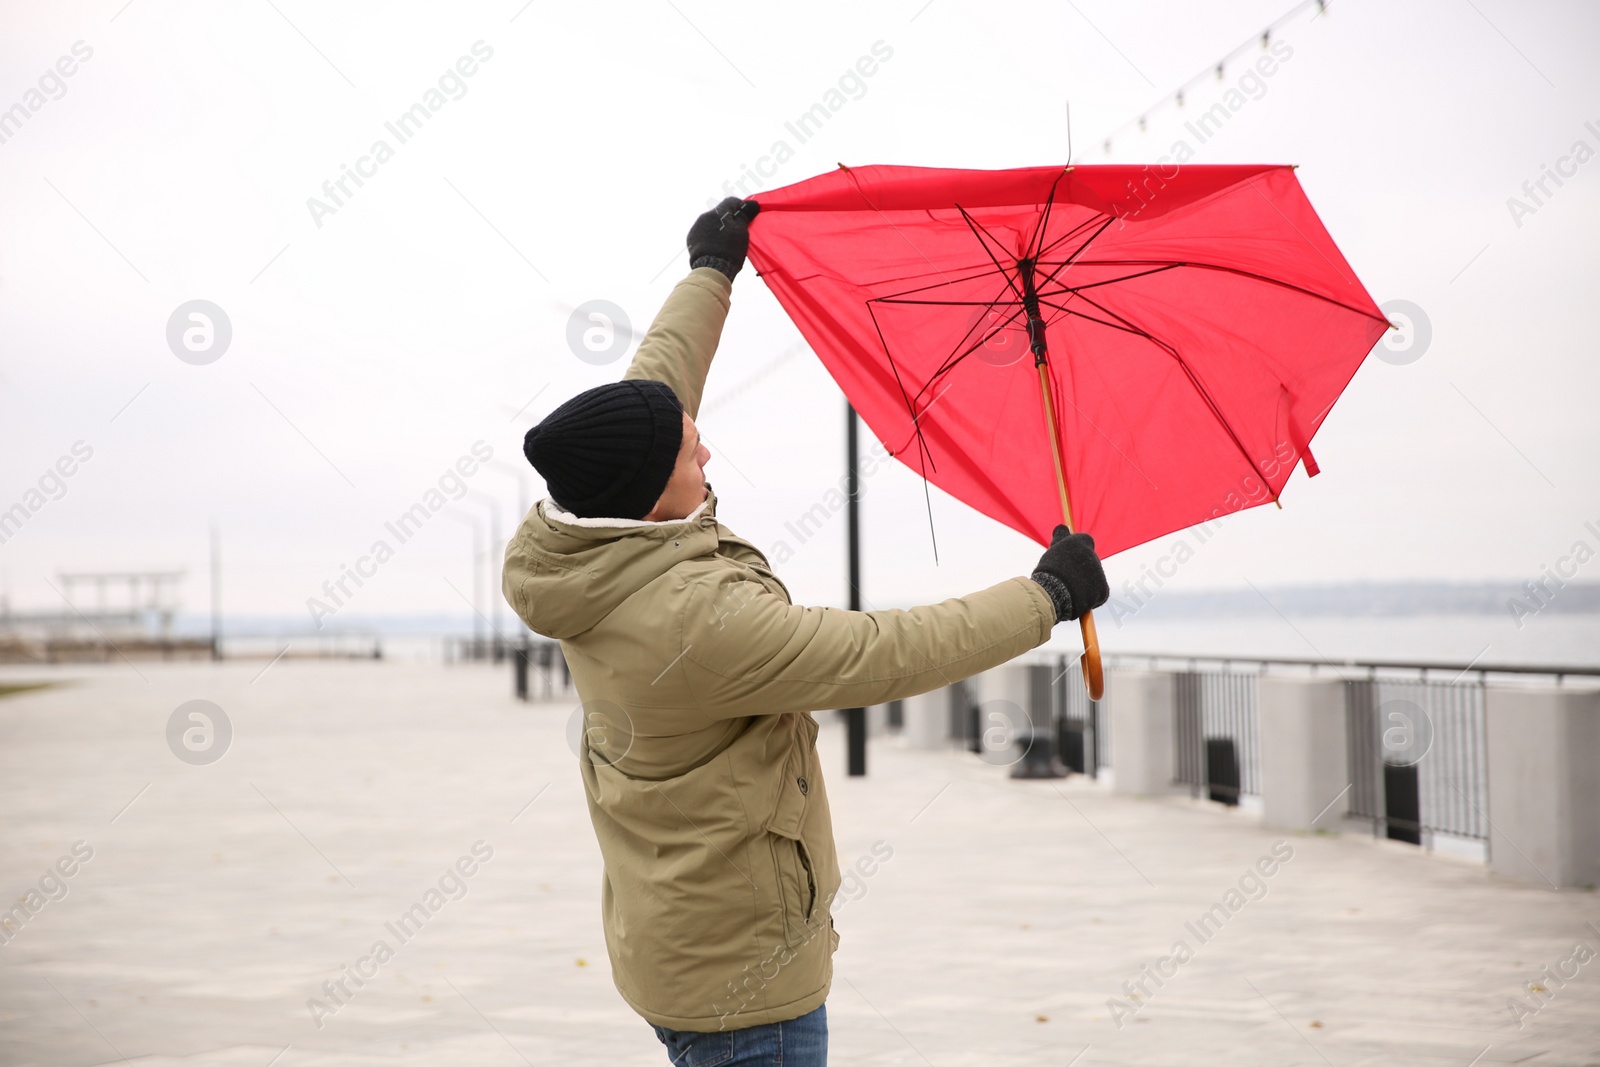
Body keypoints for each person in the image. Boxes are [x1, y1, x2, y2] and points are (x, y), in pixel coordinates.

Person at [504, 198, 1109, 1066]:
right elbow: (879, 652)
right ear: (648, 491)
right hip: (745, 991)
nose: (706, 454)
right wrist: (1044, 596)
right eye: (690, 453)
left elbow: (658, 384)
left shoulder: (590, 544)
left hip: (677, 942)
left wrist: (710, 270)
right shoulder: (694, 623)